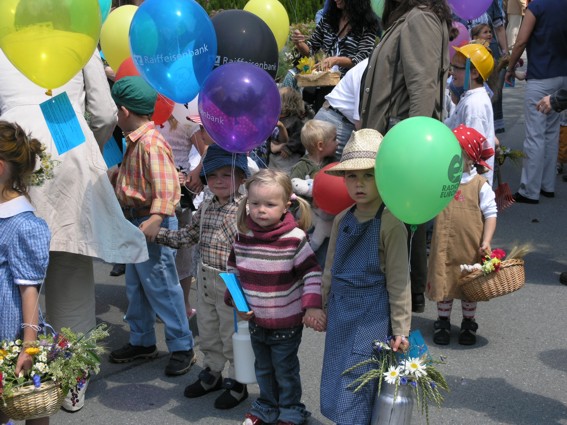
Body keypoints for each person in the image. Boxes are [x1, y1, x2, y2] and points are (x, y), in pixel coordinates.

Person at [0, 49, 148, 412]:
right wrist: (84, 148)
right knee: (71, 259)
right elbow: (102, 111)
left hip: (12, 139)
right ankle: (72, 381)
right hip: (65, 126)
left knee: (11, 266)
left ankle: (13, 367)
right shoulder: (75, 33)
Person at [359, 0, 453, 314]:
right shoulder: (410, 18)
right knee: (393, 231)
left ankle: (398, 317)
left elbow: (423, 86)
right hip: (390, 139)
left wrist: (414, 150)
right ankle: (395, 311)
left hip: (399, 145)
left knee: (397, 229)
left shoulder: (420, 18)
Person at [319, 129, 410, 425]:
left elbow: (398, 281)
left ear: (383, 176)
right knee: (336, 378)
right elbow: (330, 267)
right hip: (341, 313)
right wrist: (322, 305)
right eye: (352, 177)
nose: (359, 184)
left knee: (357, 384)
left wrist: (401, 328)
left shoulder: (391, 222)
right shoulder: (342, 219)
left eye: (369, 176)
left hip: (371, 316)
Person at [107, 76, 195, 377]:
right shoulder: (136, 140)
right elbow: (139, 178)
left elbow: (167, 186)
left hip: (148, 221)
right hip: (136, 221)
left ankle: (182, 345)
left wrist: (156, 219)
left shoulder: (150, 142)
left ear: (124, 110)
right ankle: (142, 340)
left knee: (162, 286)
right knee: (137, 286)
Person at [224, 169, 325, 425]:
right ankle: (267, 406)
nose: (261, 210)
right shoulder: (242, 236)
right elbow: (233, 271)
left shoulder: (294, 239)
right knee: (264, 368)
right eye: (255, 203)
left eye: (270, 204)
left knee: (285, 370)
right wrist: (238, 303)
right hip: (256, 321)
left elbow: (312, 273)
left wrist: (312, 307)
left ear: (286, 206)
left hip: (287, 323)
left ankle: (291, 410)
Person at [155, 144, 251, 410]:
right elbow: (188, 236)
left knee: (233, 333)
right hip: (206, 275)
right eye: (213, 175)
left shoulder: (247, 208)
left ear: (242, 178)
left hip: (233, 280)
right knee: (208, 330)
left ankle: (238, 380)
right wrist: (157, 235)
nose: (219, 180)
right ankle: (213, 371)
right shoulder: (206, 206)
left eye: (227, 174)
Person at [426, 125, 497, 346]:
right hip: (444, 245)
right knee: (444, 281)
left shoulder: (480, 185)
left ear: (469, 157)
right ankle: (443, 321)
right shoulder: (444, 181)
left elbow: (491, 213)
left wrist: (486, 241)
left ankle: (468, 322)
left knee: (468, 286)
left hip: (469, 245)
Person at [0, 121, 51, 425]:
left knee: (26, 400)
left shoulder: (22, 224)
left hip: (8, 331)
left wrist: (29, 346)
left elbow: (29, 289)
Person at [505, 0, 567, 204]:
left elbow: (521, 41)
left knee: (534, 135)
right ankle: (547, 185)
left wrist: (510, 67)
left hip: (540, 79)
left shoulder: (537, 6)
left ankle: (529, 190)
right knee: (551, 133)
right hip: (561, 76)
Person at [286, 0, 379, 111]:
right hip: (322, 76)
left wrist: (336, 60)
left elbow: (362, 59)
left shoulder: (368, 24)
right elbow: (311, 50)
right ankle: (285, 118)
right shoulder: (328, 18)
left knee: (323, 98)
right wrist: (299, 43)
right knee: (289, 78)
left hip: (345, 81)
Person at [160, 115, 204, 319]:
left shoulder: (187, 123)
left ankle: (183, 302)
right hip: (158, 189)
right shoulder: (147, 118)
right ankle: (165, 303)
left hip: (180, 193)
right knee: (161, 251)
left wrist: (195, 174)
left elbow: (206, 151)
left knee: (183, 250)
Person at [445, 42, 496, 186]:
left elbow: (472, 150)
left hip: (470, 182)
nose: (452, 72)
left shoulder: (474, 104)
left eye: (456, 68)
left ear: (474, 73)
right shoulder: (469, 97)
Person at [454, 0, 509, 134]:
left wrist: (506, 54)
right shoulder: (455, 3)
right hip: (463, 54)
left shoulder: (491, 2)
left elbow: (499, 28)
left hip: (487, 54)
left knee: (490, 93)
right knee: (461, 92)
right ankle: (463, 130)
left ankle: (491, 137)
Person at [290, 119, 338, 265]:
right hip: (308, 221)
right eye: (334, 139)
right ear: (320, 145)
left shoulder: (334, 163)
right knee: (306, 255)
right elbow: (291, 194)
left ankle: (322, 282)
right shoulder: (301, 167)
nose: (337, 143)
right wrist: (293, 219)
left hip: (329, 221)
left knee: (325, 255)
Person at [313, 57, 368, 157]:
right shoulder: (368, 69)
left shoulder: (369, 66)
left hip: (332, 117)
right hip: (337, 123)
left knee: (312, 168)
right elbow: (359, 122)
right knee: (320, 170)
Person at [268, 88, 307, 174]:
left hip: (288, 158)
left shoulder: (295, 121)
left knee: (285, 176)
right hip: (274, 157)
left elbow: (298, 137)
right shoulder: (276, 117)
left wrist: (288, 148)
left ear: (287, 103)